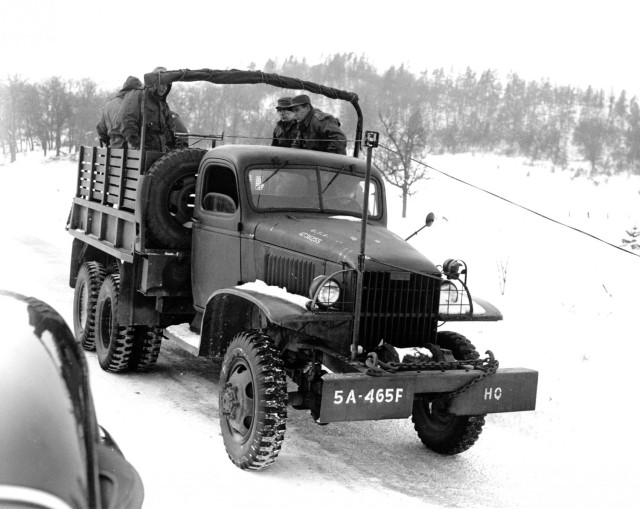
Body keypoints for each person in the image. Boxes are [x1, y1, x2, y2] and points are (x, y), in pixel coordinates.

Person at [119, 67, 187, 151]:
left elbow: (168, 128)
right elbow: (127, 123)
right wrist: (138, 146)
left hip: (159, 152)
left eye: (167, 85)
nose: (164, 87)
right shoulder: (138, 95)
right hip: (141, 153)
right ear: (153, 82)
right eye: (161, 83)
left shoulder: (162, 104)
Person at [96, 76, 142, 148]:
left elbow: (101, 129)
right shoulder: (132, 104)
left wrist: (111, 140)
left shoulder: (109, 104)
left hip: (113, 148)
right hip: (129, 148)